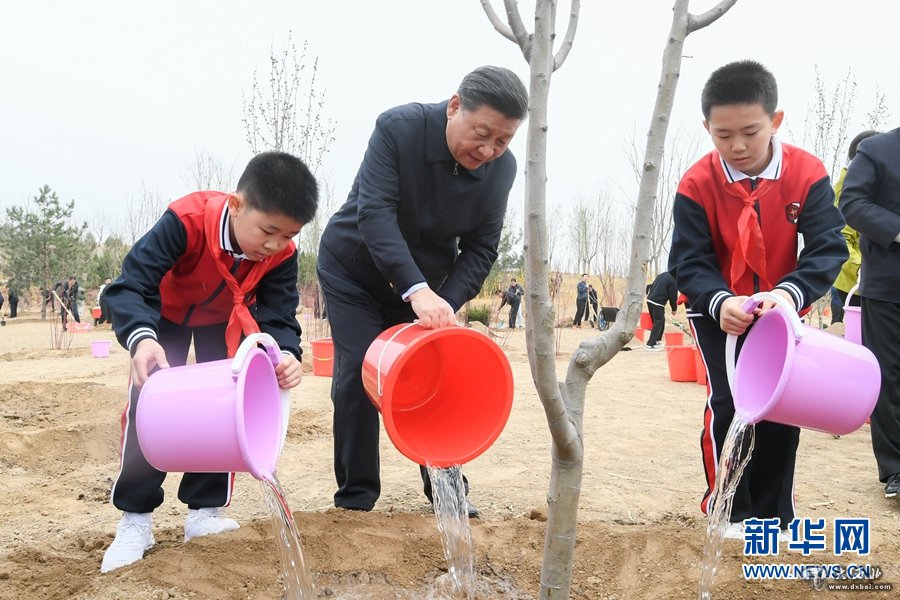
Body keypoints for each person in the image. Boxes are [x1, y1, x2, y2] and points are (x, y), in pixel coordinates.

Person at [317, 65, 527, 517]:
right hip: (355, 268)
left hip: (431, 287)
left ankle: (448, 494)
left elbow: (482, 247)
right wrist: (415, 290)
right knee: (358, 375)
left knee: (437, 375)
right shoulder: (399, 129)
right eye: (482, 133)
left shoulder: (500, 170)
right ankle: (355, 500)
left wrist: (445, 302)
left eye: (502, 141)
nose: (488, 150)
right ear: (455, 106)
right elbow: (375, 214)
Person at [99, 151, 318, 572]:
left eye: (288, 236)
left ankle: (204, 512)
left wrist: (286, 353)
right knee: (150, 409)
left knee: (224, 413)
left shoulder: (281, 255)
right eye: (268, 231)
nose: (274, 245)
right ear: (237, 206)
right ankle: (136, 520)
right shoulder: (186, 220)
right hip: (163, 316)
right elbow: (131, 284)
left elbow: (279, 312)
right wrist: (141, 339)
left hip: (226, 323)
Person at [668, 60, 846, 539]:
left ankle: (773, 515)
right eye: (723, 135)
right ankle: (728, 510)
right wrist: (717, 299)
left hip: (784, 311)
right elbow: (688, 260)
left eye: (750, 131)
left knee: (782, 407)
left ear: (776, 120)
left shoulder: (807, 173)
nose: (738, 146)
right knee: (728, 403)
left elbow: (828, 247)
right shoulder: (695, 183)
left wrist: (790, 294)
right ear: (707, 127)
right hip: (718, 311)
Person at [840, 127, 900, 500]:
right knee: (890, 377)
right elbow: (853, 202)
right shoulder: (877, 150)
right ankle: (896, 469)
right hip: (890, 287)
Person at [829, 130, 880, 323]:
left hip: (871, 282)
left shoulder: (873, 186)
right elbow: (841, 238)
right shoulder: (849, 190)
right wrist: (861, 268)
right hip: (850, 285)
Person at [645, 271, 678, 351]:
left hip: (650, 300)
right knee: (658, 322)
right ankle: (650, 344)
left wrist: (647, 293)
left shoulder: (662, 274)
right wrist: (674, 309)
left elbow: (649, 285)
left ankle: (657, 341)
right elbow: (673, 296)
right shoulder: (673, 280)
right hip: (657, 302)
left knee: (660, 322)